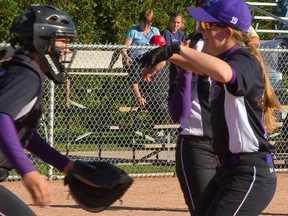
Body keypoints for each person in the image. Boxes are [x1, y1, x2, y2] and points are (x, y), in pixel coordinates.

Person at [140, 0, 281, 215]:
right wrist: (167, 56)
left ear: (226, 32)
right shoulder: (222, 60)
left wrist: (178, 48)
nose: (199, 30)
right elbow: (200, 66)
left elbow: (225, 73)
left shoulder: (243, 59)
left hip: (250, 172)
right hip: (228, 171)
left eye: (206, 25)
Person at [0, 4, 78, 215]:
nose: (67, 48)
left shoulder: (18, 68)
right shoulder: (26, 74)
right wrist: (28, 172)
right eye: (62, 40)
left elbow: (23, 133)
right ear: (42, 40)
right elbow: (1, 120)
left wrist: (64, 165)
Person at [122, 10, 169, 134]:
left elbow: (160, 47)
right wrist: (126, 57)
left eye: (149, 23)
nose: (147, 26)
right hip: (139, 60)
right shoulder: (133, 31)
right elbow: (124, 48)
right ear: (140, 21)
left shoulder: (155, 31)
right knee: (134, 66)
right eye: (144, 23)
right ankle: (140, 95)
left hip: (153, 60)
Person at [161, 12, 187, 92]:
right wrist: (179, 46)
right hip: (169, 62)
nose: (175, 24)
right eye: (173, 22)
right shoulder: (166, 32)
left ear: (181, 23)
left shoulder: (181, 33)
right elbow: (168, 48)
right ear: (170, 22)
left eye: (178, 22)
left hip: (178, 62)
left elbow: (184, 47)